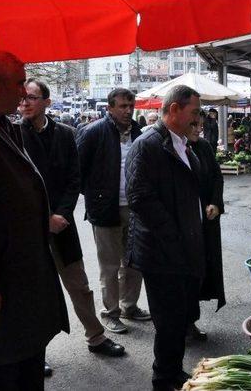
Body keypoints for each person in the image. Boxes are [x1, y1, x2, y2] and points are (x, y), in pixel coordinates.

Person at [0, 50, 69, 390]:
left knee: (25, 366)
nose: (24, 92)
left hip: (20, 282)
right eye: (20, 83)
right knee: (3, 372)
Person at [18, 79, 125, 365]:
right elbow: (15, 187)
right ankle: (34, 352)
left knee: (79, 284)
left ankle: (96, 336)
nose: (25, 103)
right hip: (29, 228)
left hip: (63, 226)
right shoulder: (13, 134)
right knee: (33, 292)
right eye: (22, 98)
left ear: (47, 102)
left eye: (31, 97)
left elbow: (74, 178)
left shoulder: (66, 133)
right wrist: (44, 218)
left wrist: (62, 215)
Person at [125, 85, 205, 391]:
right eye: (194, 112)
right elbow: (139, 197)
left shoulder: (181, 141)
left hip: (180, 248)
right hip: (161, 253)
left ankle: (173, 372)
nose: (198, 119)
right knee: (169, 321)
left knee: (179, 318)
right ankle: (164, 379)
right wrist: (174, 237)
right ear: (173, 110)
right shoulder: (148, 144)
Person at [76, 88, 150, 335]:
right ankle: (111, 313)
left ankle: (130, 306)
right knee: (109, 266)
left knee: (133, 262)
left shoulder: (139, 133)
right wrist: (96, 197)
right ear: (110, 108)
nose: (128, 110)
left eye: (131, 105)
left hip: (134, 208)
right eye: (122, 106)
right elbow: (77, 171)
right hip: (106, 210)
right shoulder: (94, 132)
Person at [187, 114, 226, 341]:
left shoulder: (203, 147)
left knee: (200, 271)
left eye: (201, 125)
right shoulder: (170, 148)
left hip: (204, 219)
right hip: (181, 225)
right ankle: (183, 323)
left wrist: (215, 202)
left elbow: (216, 177)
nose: (199, 129)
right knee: (186, 275)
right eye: (194, 125)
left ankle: (190, 321)